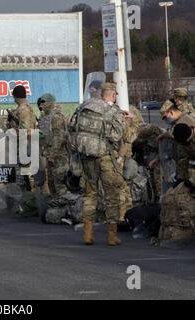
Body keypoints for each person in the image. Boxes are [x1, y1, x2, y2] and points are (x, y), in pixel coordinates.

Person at [70, 83, 125, 246]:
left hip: (87, 155)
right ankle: (112, 236)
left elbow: (72, 126)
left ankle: (88, 234)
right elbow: (117, 136)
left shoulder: (84, 106)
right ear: (113, 95)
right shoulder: (113, 110)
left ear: (102, 94)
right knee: (111, 194)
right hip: (105, 156)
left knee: (90, 193)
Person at [37, 93, 69, 198]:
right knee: (52, 183)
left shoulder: (57, 117)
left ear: (50, 103)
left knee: (60, 184)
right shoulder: (45, 118)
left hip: (59, 156)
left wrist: (53, 154)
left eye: (43, 102)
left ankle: (64, 208)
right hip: (50, 155)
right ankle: (56, 207)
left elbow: (58, 137)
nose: (41, 106)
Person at [8, 85, 37, 191]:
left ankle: (28, 198)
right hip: (24, 145)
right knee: (22, 175)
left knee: (25, 175)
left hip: (24, 146)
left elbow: (25, 130)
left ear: (15, 96)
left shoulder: (23, 109)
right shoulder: (24, 108)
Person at [118, 104, 144, 221]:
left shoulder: (129, 108)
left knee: (123, 185)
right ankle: (122, 215)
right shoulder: (111, 109)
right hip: (121, 154)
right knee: (123, 186)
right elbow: (134, 133)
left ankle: (124, 214)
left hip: (120, 155)